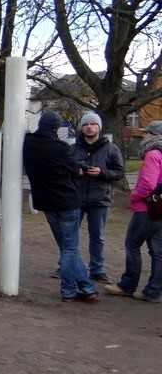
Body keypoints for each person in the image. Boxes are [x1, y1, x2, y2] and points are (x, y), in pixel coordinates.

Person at [23, 111, 99, 303]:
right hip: (67, 202)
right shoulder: (60, 147)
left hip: (46, 203)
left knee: (66, 248)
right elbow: (76, 170)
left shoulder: (28, 143)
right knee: (70, 249)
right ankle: (68, 290)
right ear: (56, 128)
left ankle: (86, 286)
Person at [105, 121, 162, 302]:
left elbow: (148, 184)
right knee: (158, 252)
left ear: (153, 136)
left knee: (132, 245)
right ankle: (153, 291)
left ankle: (127, 286)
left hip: (147, 208)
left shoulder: (153, 155)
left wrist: (134, 196)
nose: (143, 136)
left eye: (146, 133)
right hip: (160, 208)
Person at [68, 113, 125, 284]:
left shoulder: (111, 149)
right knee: (70, 235)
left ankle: (97, 269)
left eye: (93, 124)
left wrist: (102, 173)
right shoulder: (73, 149)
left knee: (98, 236)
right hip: (76, 198)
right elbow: (64, 170)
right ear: (82, 127)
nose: (89, 127)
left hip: (99, 198)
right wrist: (75, 172)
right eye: (86, 124)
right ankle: (67, 264)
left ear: (99, 127)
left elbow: (119, 172)